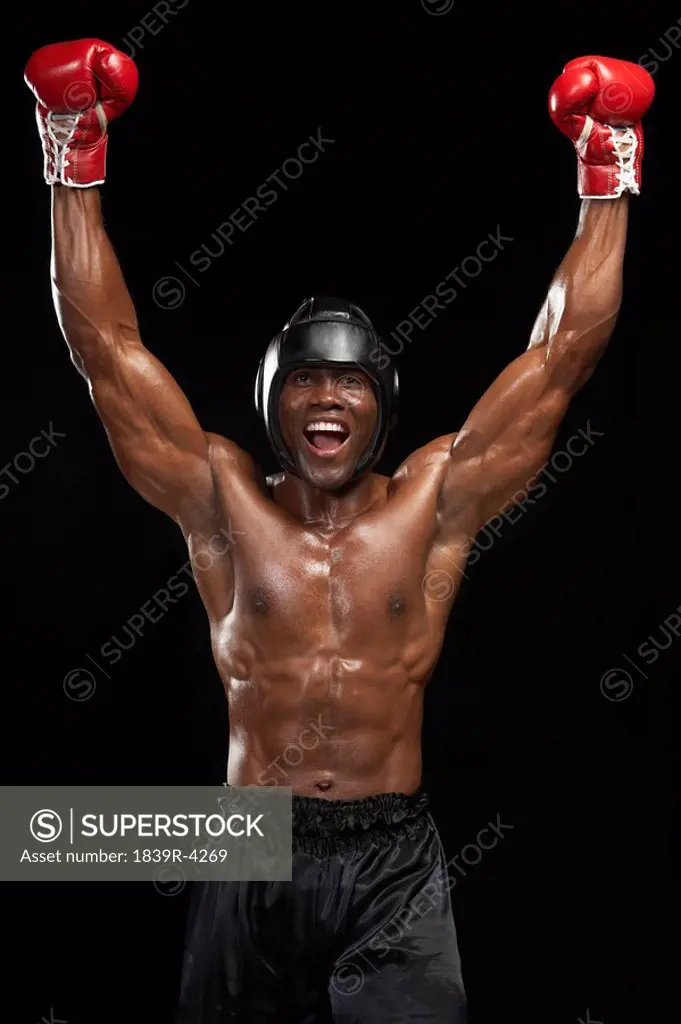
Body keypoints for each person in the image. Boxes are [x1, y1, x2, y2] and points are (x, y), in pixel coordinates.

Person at [25, 39, 654, 1023]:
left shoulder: (435, 500)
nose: (328, 398)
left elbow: (564, 355)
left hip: (392, 853)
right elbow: (106, 353)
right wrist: (73, 158)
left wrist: (606, 169)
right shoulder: (222, 501)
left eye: (350, 380)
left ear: (382, 406)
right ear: (275, 404)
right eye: (307, 381)